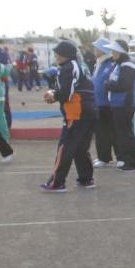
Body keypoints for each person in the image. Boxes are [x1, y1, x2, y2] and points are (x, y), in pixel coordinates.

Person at [40, 40, 97, 192]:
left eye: (58, 53)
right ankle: (86, 179)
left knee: (65, 147)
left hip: (77, 112)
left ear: (66, 55)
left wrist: (53, 95)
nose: (56, 56)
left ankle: (57, 183)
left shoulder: (68, 67)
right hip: (89, 110)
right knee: (80, 148)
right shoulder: (80, 66)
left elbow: (66, 92)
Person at [105, 39, 135, 170]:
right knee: (121, 134)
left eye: (114, 51)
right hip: (117, 104)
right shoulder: (119, 65)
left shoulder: (128, 65)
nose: (112, 53)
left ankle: (133, 163)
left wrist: (107, 85)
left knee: (126, 134)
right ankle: (126, 160)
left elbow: (123, 85)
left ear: (120, 52)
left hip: (124, 105)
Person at [91, 40, 116, 167]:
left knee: (103, 132)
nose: (94, 49)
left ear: (103, 49)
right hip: (97, 103)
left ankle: (105, 158)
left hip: (106, 103)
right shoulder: (98, 64)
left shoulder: (110, 64)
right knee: (100, 131)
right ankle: (104, 156)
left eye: (96, 47)